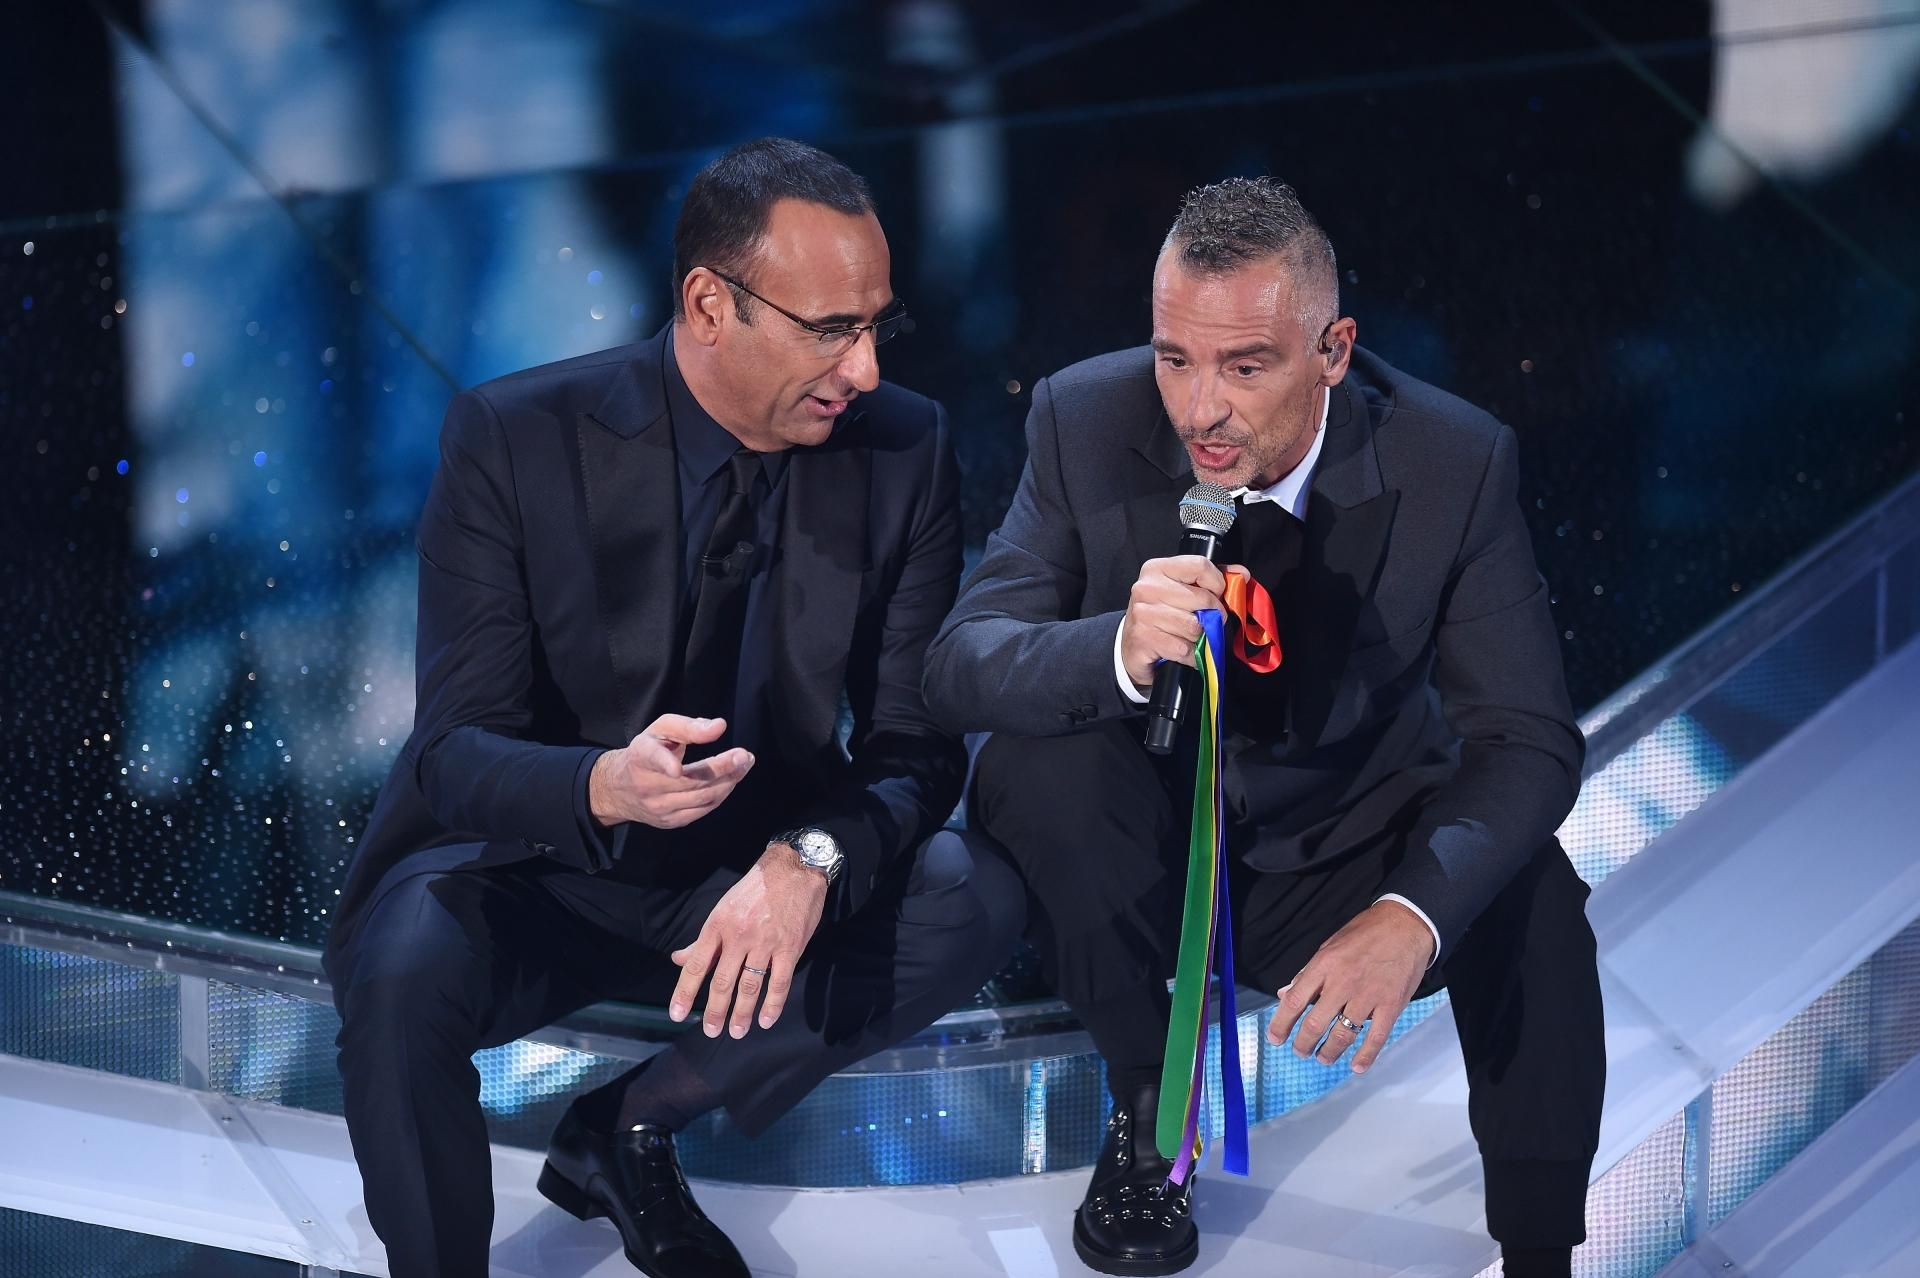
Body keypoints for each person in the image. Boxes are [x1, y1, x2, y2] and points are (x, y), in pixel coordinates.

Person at [323, 137, 1023, 1278]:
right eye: (828, 331)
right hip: (535, 866)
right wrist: (604, 784)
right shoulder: (515, 438)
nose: (862, 370)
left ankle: (628, 1128)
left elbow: (914, 740)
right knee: (403, 970)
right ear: (708, 304)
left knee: (974, 893)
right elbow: (453, 752)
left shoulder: (905, 448)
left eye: (875, 326)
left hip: (744, 884)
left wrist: (806, 861)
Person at [923, 177, 1604, 1278]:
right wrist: (1111, 649)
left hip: (1334, 849)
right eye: (1174, 359)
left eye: (1245, 368)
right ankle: (1149, 1114)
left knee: (1534, 892)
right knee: (1040, 769)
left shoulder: (1451, 459)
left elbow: (1527, 738)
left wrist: (1410, 914)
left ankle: (1540, 1245)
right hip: (1131, 852)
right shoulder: (1082, 418)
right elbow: (960, 664)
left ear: (1333, 351)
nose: (1199, 410)